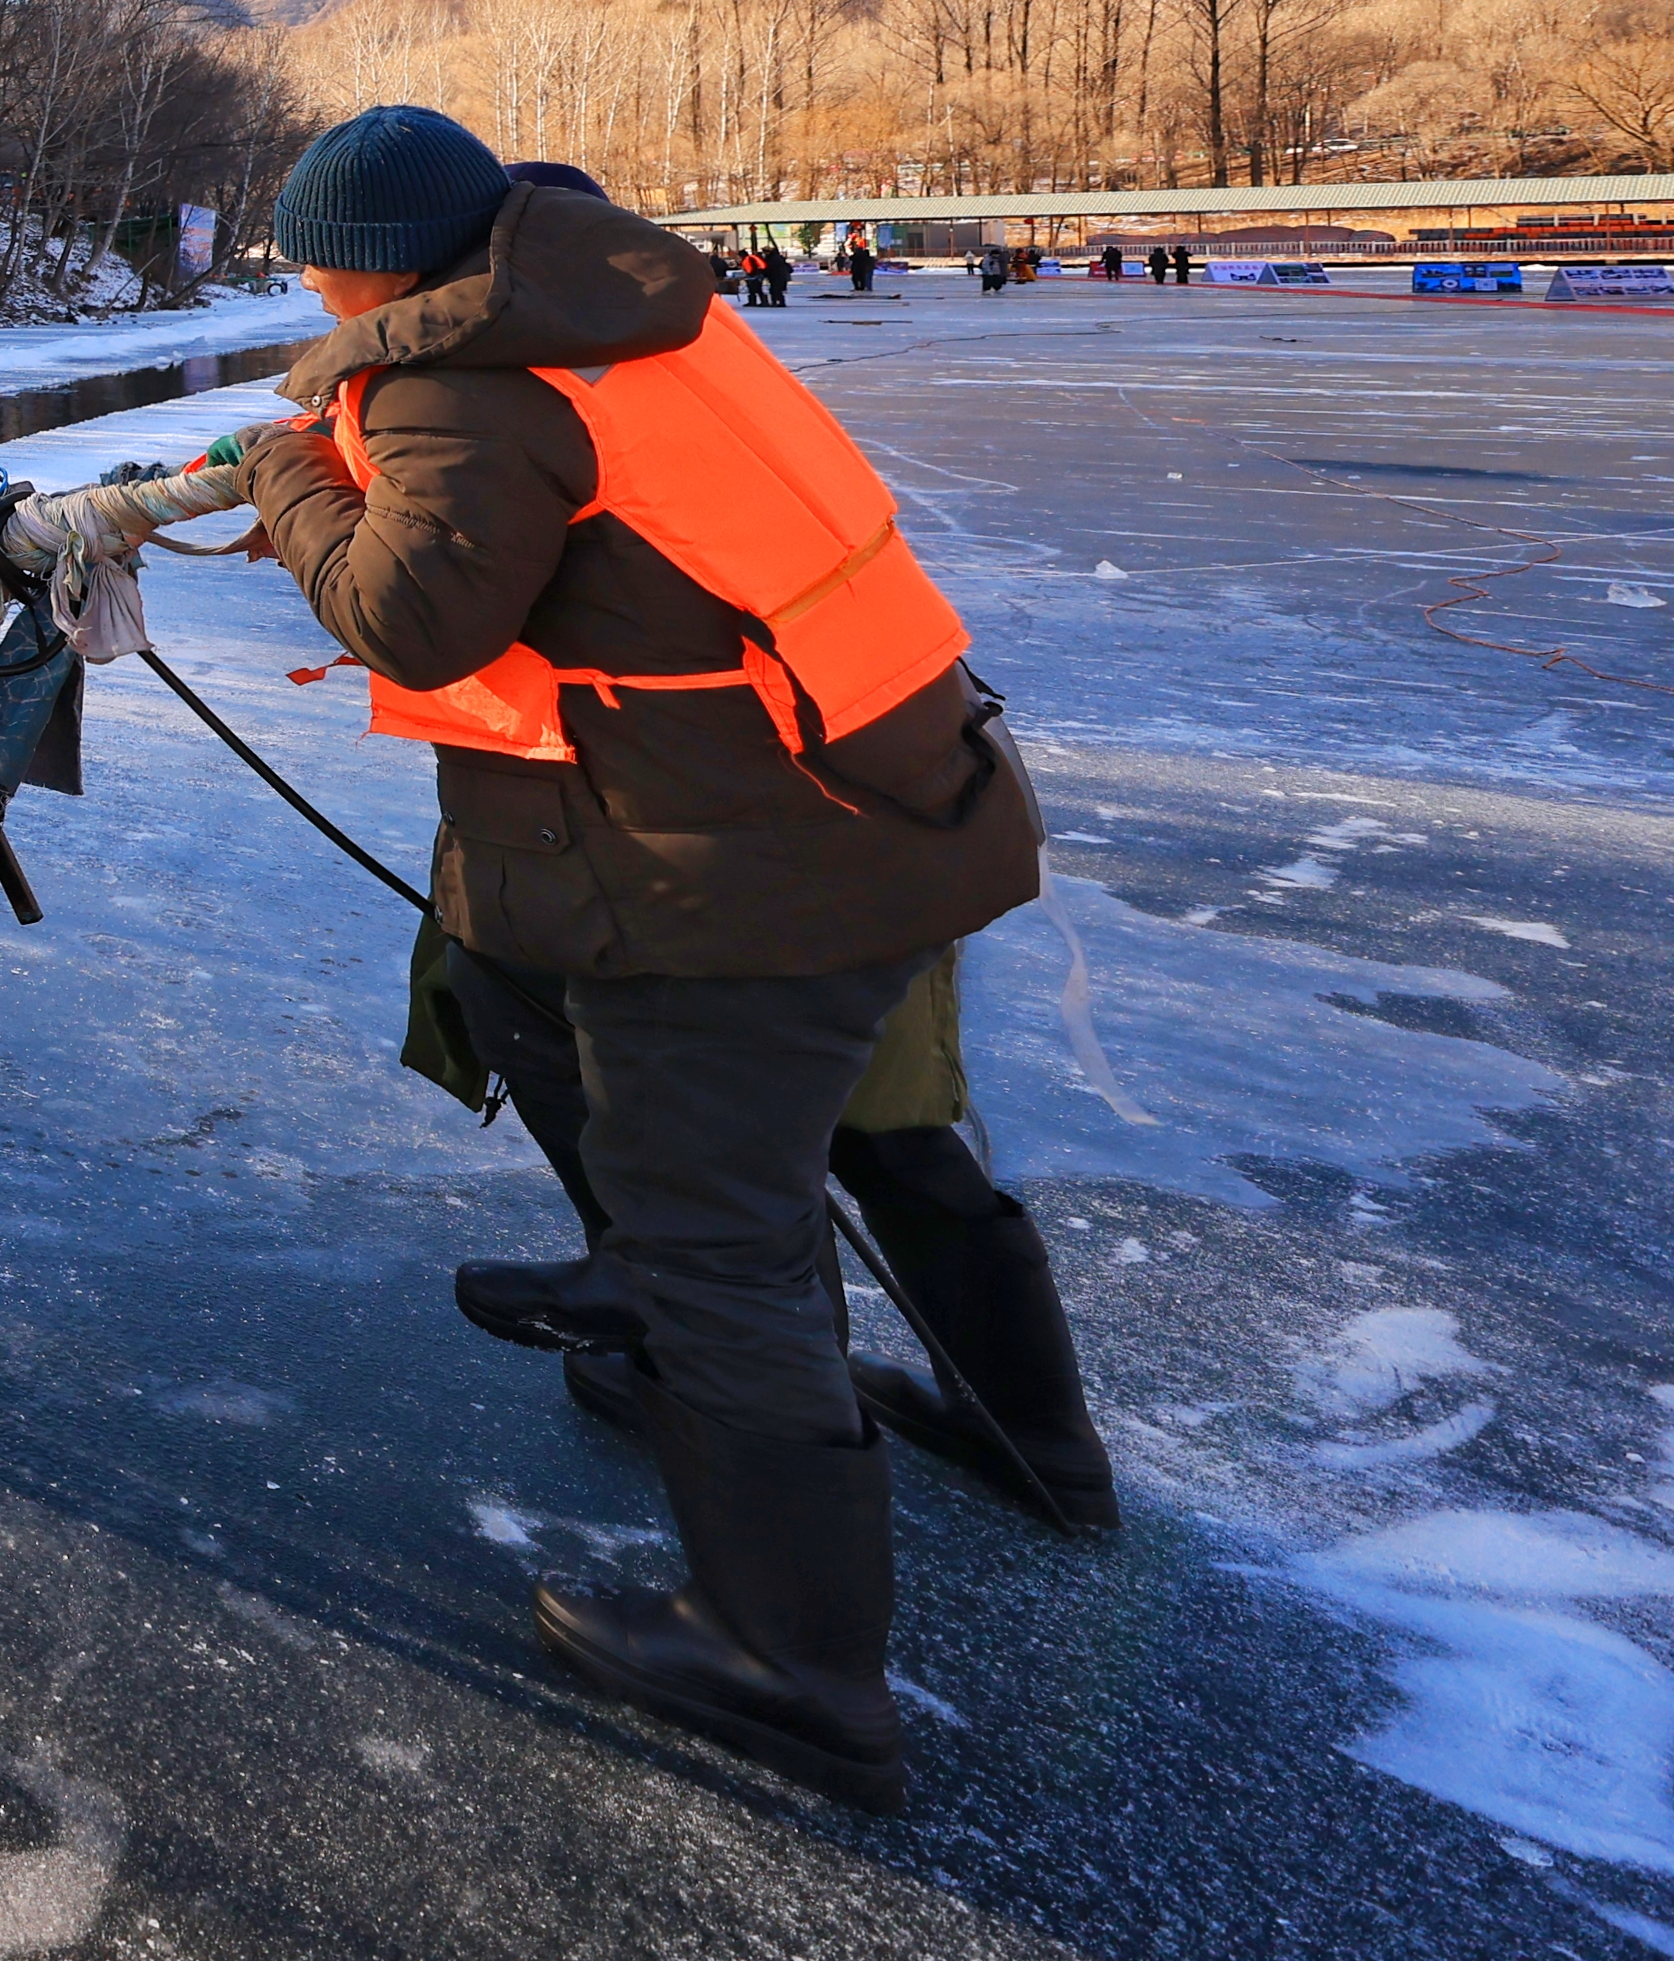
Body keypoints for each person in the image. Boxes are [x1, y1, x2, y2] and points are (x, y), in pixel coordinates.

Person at [235, 106, 1076, 1810]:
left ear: (358, 264)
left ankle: (797, 1667)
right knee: (590, 1016)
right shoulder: (618, 312)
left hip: (742, 863)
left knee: (727, 1237)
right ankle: (1029, 1437)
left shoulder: (463, 380)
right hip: (885, 776)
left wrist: (293, 474)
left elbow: (411, 613)